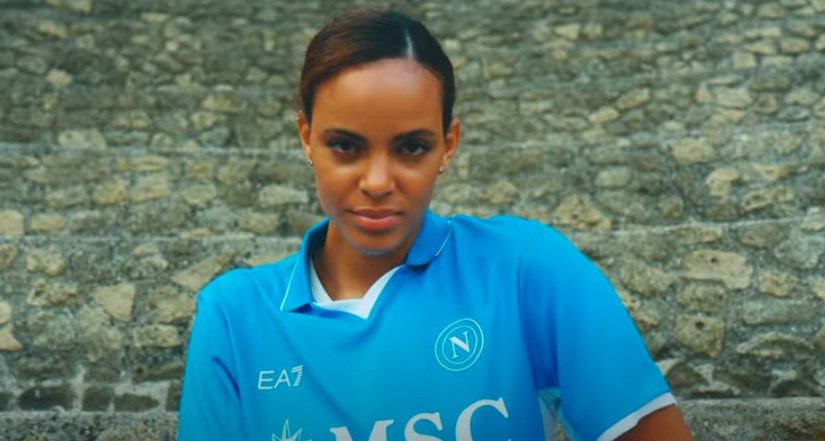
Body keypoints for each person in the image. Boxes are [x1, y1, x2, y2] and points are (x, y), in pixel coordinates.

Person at [178, 8, 694, 441]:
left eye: (411, 147)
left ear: (448, 145)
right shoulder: (233, 316)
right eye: (345, 146)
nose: (377, 181)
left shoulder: (525, 269)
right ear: (305, 137)